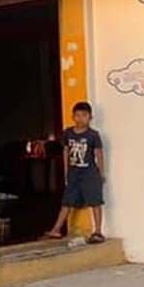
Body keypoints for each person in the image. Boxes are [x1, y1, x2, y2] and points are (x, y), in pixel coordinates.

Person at [46, 102, 105, 242]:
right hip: (74, 174)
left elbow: (99, 154)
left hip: (89, 173)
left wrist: (101, 173)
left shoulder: (93, 135)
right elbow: (66, 152)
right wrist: (66, 171)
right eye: (77, 115)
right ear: (73, 117)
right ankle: (56, 229)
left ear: (90, 117)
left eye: (84, 116)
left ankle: (97, 231)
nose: (80, 119)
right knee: (67, 202)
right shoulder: (68, 133)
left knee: (95, 201)